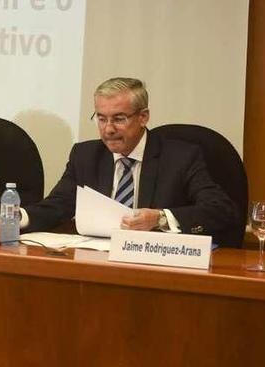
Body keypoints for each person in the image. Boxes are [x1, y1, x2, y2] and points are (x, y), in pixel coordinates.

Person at [22, 77, 237, 244]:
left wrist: (161, 219)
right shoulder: (85, 155)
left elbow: (220, 209)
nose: (108, 129)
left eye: (119, 119)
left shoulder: (181, 157)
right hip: (98, 259)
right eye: (101, 118)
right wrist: (18, 217)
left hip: (157, 263)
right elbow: (59, 205)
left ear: (143, 117)